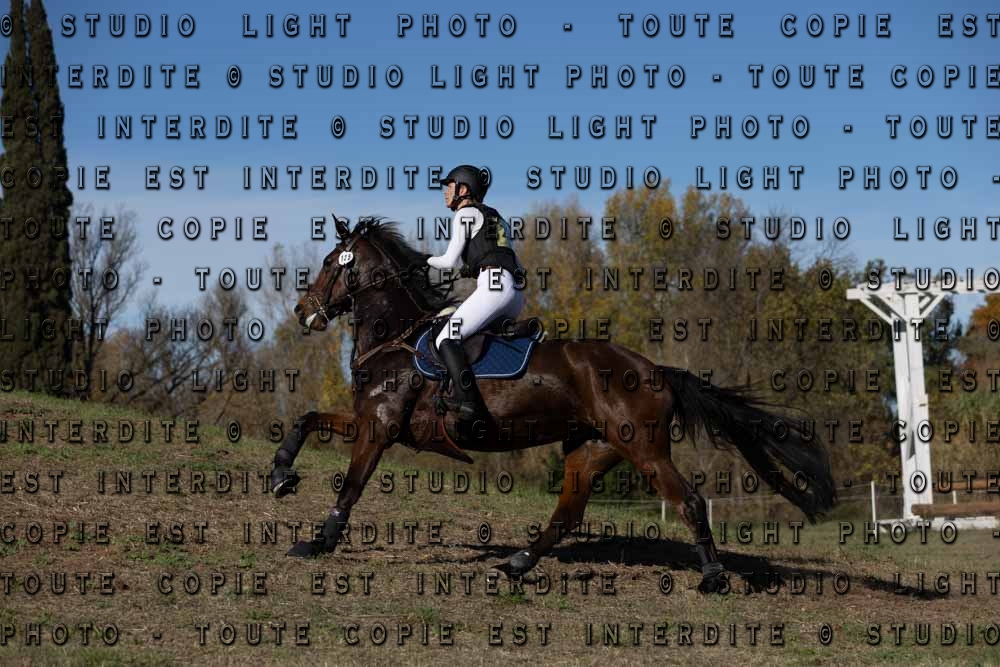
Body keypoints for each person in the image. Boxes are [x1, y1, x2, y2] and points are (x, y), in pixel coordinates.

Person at [427, 164, 524, 426]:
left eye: (449, 186)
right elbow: (504, 257)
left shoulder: (465, 214)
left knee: (446, 337)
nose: (445, 192)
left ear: (463, 189)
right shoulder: (497, 217)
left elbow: (447, 261)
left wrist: (423, 260)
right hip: (515, 295)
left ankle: (469, 402)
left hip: (494, 288)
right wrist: (473, 267)